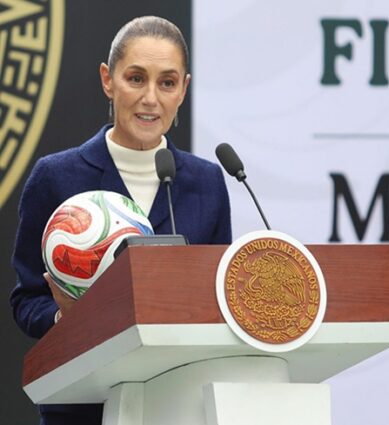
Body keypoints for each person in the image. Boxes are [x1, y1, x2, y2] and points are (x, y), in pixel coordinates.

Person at [10, 16, 232, 425]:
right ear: (107, 80)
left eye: (167, 83)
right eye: (135, 78)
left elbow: (218, 299)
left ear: (183, 89)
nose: (150, 98)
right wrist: (64, 318)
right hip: (81, 408)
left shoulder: (207, 182)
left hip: (178, 406)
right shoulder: (55, 176)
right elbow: (26, 301)